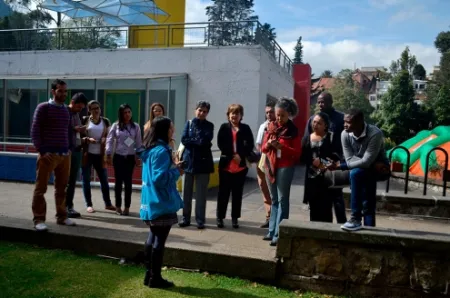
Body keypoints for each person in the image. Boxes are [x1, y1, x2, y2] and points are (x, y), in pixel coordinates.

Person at [140, 116, 184, 289]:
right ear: (165, 131)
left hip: (150, 201)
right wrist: (177, 171)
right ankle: (155, 278)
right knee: (159, 240)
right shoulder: (161, 151)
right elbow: (159, 178)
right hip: (161, 201)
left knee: (152, 237)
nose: (173, 131)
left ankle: (149, 275)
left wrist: (172, 167)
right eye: (171, 128)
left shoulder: (150, 149)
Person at [30, 79, 76, 231]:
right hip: (47, 155)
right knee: (40, 188)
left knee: (62, 188)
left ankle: (62, 216)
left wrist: (69, 148)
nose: (63, 94)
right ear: (53, 91)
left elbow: (68, 131)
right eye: (60, 91)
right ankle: (38, 220)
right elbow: (35, 130)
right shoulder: (43, 108)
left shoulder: (65, 110)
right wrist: (42, 150)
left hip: (64, 155)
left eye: (65, 91)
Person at [337, 109, 389, 231]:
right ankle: (368, 230)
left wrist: (347, 165)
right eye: (344, 121)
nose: (345, 125)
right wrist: (362, 162)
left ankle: (355, 218)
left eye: (348, 122)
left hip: (380, 169)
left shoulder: (375, 134)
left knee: (356, 174)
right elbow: (349, 160)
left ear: (360, 122)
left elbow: (365, 162)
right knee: (368, 202)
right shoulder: (345, 134)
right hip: (368, 165)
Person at [262, 97, 301, 246]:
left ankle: (280, 233)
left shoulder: (293, 130)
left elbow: (297, 153)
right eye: (277, 114)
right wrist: (270, 144)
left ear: (289, 114)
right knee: (274, 199)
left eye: (282, 115)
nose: (279, 118)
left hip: (285, 166)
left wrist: (281, 147)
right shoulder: (270, 127)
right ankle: (271, 231)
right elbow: (263, 149)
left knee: (282, 199)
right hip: (270, 165)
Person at [305, 92, 347, 224]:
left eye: (323, 101)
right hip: (316, 166)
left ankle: (343, 230)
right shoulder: (313, 119)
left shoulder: (340, 119)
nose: (320, 104)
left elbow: (345, 142)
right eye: (318, 102)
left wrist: (338, 162)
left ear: (331, 102)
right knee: (318, 201)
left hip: (334, 166)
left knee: (337, 199)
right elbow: (306, 143)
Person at [216, 104, 254, 229]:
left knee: (237, 195)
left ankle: (234, 219)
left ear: (241, 115)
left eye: (237, 113)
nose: (234, 115)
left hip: (240, 167)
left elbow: (250, 145)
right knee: (223, 194)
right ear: (228, 115)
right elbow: (221, 144)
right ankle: (220, 218)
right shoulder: (223, 128)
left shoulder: (246, 128)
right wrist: (233, 155)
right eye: (232, 113)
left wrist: (241, 156)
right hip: (226, 166)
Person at [178, 101, 214, 229]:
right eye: (200, 110)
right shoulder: (188, 123)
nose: (202, 113)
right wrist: (198, 141)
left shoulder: (209, 125)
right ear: (195, 110)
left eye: (204, 111)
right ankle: (185, 218)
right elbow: (184, 140)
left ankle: (200, 220)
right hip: (189, 162)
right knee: (186, 193)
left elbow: (206, 140)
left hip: (203, 163)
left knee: (201, 194)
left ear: (207, 113)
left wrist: (195, 141)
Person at [301, 112, 340, 223]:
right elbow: (302, 158)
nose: (315, 125)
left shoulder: (331, 137)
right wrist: (312, 161)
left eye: (319, 123)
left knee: (326, 209)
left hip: (327, 179)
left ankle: (327, 234)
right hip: (312, 179)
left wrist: (323, 161)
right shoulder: (307, 138)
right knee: (313, 209)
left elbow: (337, 155)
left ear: (325, 125)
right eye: (314, 122)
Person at [106, 104, 143, 216]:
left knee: (128, 183)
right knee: (118, 183)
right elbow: (109, 139)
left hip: (130, 158)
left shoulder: (135, 127)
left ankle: (127, 207)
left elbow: (139, 142)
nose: (127, 115)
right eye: (124, 112)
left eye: (129, 112)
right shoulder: (116, 125)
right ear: (121, 114)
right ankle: (118, 206)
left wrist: (139, 156)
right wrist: (108, 153)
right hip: (118, 157)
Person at [80, 100, 115, 213]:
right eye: (93, 108)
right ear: (89, 110)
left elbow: (110, 136)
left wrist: (106, 139)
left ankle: (108, 203)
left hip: (100, 155)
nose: (96, 110)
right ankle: (89, 204)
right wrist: (87, 139)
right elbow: (78, 136)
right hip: (87, 154)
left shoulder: (105, 121)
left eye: (98, 108)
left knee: (104, 180)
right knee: (86, 180)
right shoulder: (84, 120)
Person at [66, 92, 88, 218]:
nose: (80, 110)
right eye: (79, 107)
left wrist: (82, 134)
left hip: (76, 149)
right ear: (72, 102)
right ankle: (65, 207)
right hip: (67, 150)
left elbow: (76, 132)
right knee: (66, 181)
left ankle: (69, 206)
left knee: (72, 181)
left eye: (82, 108)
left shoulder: (76, 114)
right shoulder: (65, 112)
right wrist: (74, 129)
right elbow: (61, 128)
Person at [255, 97, 276, 228]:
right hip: (262, 160)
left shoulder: (279, 126)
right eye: (267, 112)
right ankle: (268, 217)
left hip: (273, 161)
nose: (269, 114)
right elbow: (258, 144)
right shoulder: (263, 126)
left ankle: (275, 218)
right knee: (264, 189)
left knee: (273, 191)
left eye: (271, 112)